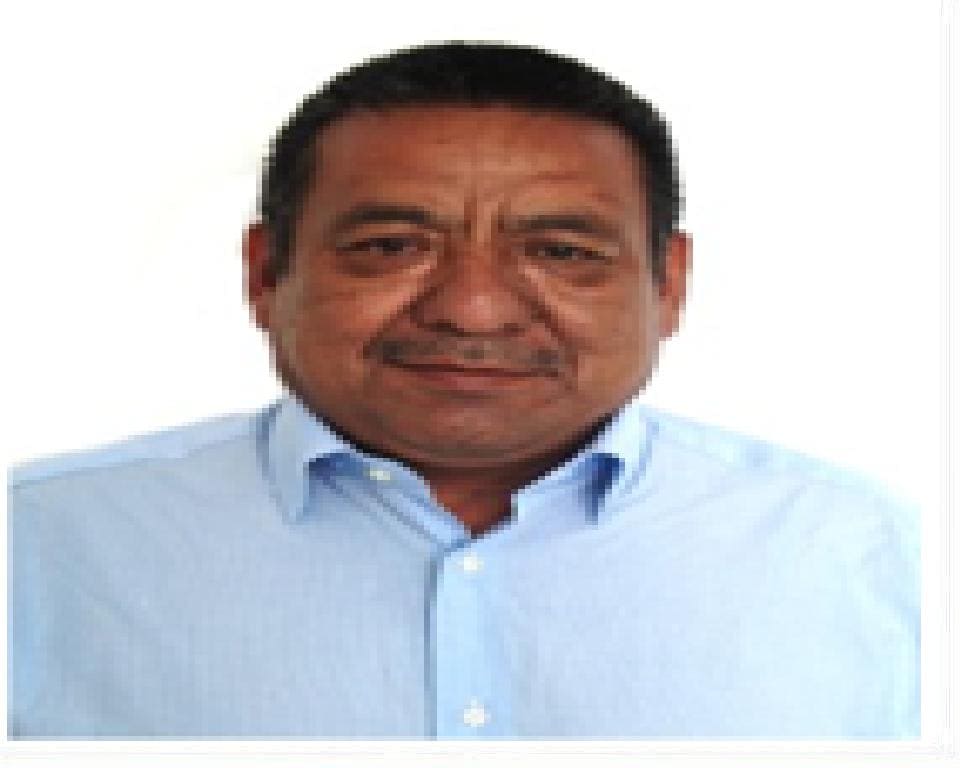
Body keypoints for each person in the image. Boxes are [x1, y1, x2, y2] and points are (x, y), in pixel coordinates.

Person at [7, 41, 918, 740]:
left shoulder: (871, 557)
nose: (473, 309)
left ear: (669, 284)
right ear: (264, 272)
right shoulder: (41, 545)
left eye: (560, 252)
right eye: (390, 247)